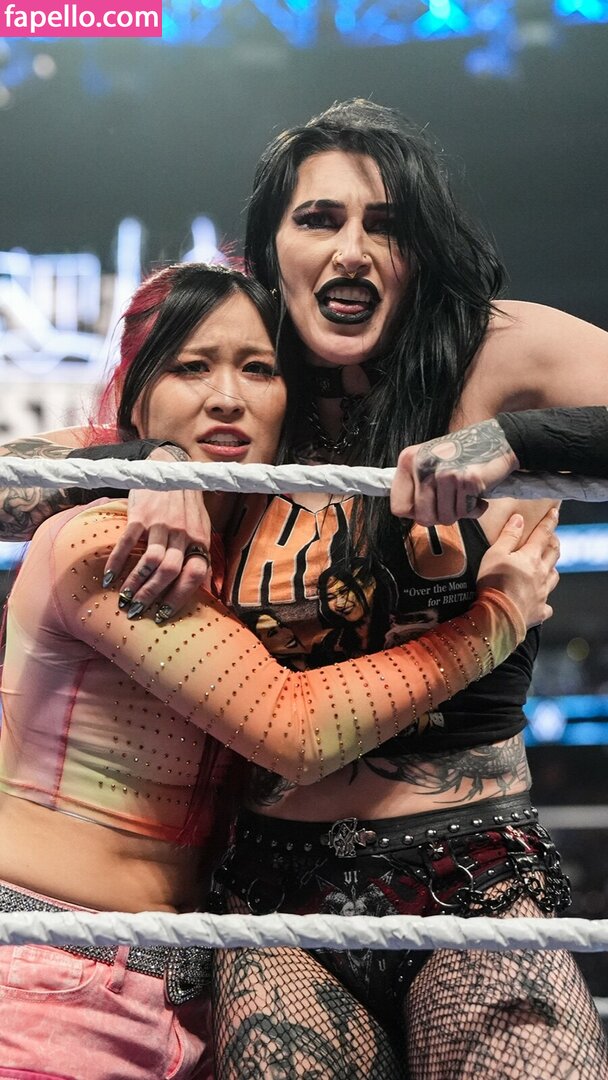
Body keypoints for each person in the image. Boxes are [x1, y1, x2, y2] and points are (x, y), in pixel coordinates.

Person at [1, 100, 607, 1077]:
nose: (351, 249)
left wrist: (517, 438)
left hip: (469, 865)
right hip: (272, 891)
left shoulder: (489, 353)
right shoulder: (256, 384)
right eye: (318, 218)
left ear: (420, 246)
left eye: (385, 224)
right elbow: (14, 476)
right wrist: (153, 465)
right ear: (272, 245)